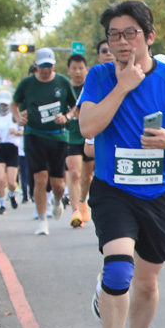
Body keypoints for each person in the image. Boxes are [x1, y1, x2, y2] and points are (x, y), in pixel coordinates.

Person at [77, 0, 165, 328]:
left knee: (146, 283)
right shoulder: (99, 76)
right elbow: (88, 127)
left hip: (158, 192)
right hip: (113, 189)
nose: (122, 42)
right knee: (118, 270)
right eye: (114, 35)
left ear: (149, 36)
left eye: (130, 34)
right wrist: (123, 86)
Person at [14, 47, 77, 236]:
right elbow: (14, 104)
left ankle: (57, 201)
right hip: (34, 135)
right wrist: (18, 118)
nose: (46, 69)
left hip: (58, 136)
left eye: (49, 66)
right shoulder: (27, 84)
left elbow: (75, 106)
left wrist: (67, 117)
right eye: (42, 66)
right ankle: (42, 220)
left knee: (58, 184)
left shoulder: (62, 82)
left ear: (54, 65)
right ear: (36, 66)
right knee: (40, 179)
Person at [65, 49, 93, 227]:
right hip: (71, 137)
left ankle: (82, 201)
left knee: (87, 177)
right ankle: (75, 212)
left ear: (86, 69)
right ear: (68, 70)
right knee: (74, 173)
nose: (77, 71)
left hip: (89, 136)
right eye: (74, 68)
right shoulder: (64, 89)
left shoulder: (92, 87)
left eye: (80, 68)